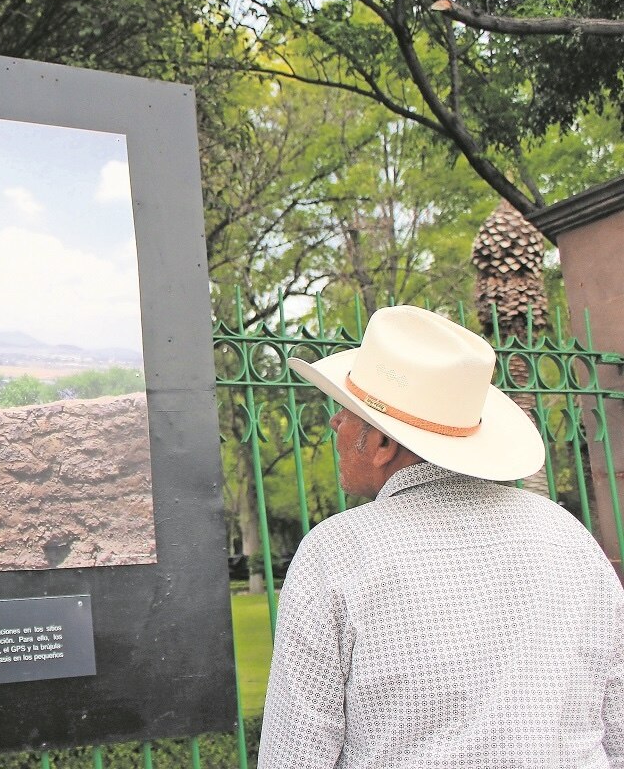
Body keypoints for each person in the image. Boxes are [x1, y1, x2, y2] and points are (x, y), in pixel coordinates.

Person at [258, 305, 623, 768]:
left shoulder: (340, 551)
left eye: (346, 411)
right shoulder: (568, 536)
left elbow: (296, 751)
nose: (334, 423)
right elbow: (617, 721)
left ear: (383, 444)